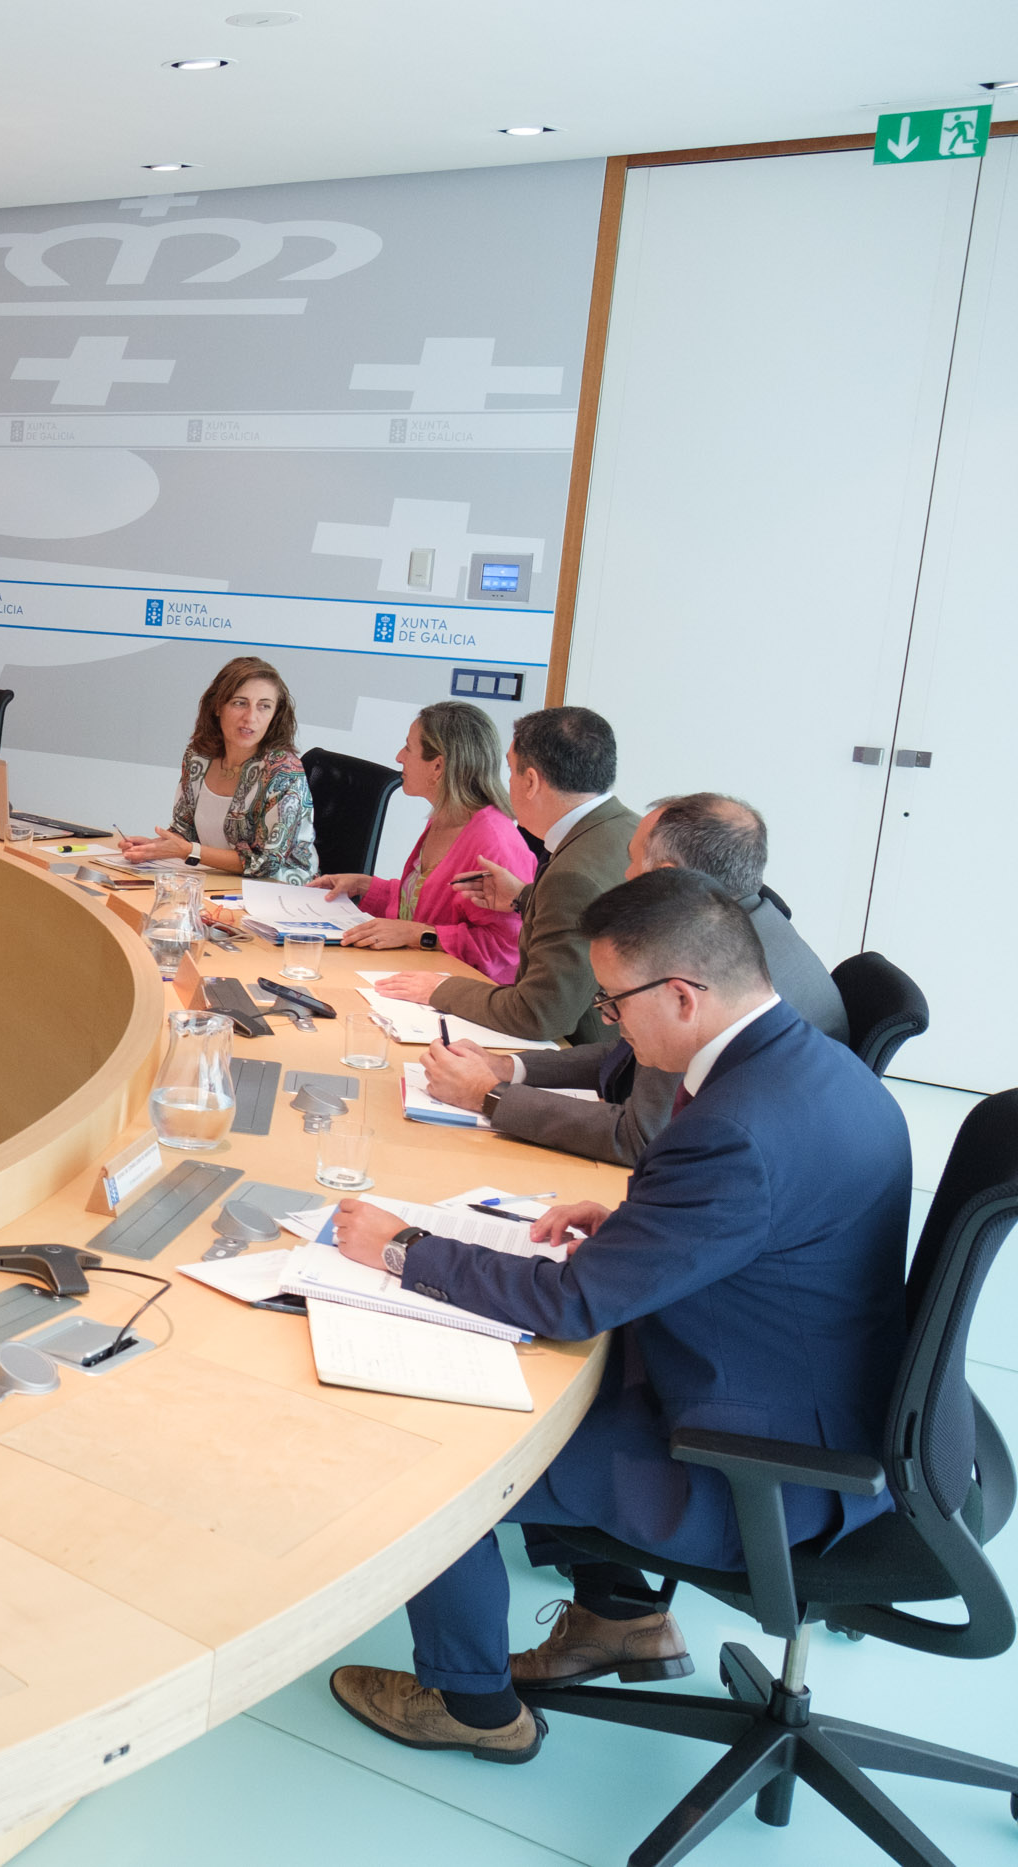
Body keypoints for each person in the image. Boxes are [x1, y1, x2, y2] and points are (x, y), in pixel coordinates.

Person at [323, 869, 907, 1764]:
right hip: (812, 1395)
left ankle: (473, 1705)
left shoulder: (734, 1127)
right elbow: (767, 1233)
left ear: (683, 994)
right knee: (539, 1380)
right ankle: (620, 1618)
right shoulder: (816, 1066)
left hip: (758, 1473)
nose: (607, 1023)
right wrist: (639, 1230)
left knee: (438, 1457)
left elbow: (572, 1304)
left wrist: (405, 1246)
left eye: (613, 1002)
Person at [421, 793, 851, 1165]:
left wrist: (489, 1095)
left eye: (631, 861)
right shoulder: (754, 923)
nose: (624, 877)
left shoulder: (706, 966)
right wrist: (511, 1068)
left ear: (666, 873)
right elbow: (629, 1055)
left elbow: (640, 1135)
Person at [370, 706, 631, 1043]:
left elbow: (540, 1015)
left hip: (581, 1053)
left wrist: (440, 989)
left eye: (509, 770)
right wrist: (524, 896)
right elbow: (583, 916)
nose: (504, 783)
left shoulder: (571, 875)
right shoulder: (628, 829)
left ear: (531, 781)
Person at [313, 701, 532, 981]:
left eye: (408, 748)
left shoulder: (495, 844)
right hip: (418, 975)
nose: (399, 757)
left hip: (465, 994)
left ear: (437, 766)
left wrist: (419, 935)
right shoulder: (445, 817)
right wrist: (366, 886)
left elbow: (506, 951)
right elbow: (427, 903)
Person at [114, 656, 316, 879]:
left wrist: (188, 851)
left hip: (278, 890)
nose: (251, 717)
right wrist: (154, 848)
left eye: (264, 706)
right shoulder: (198, 757)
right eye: (240, 703)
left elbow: (267, 863)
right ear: (218, 706)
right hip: (218, 881)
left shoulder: (283, 770)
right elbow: (185, 832)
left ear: (275, 714)